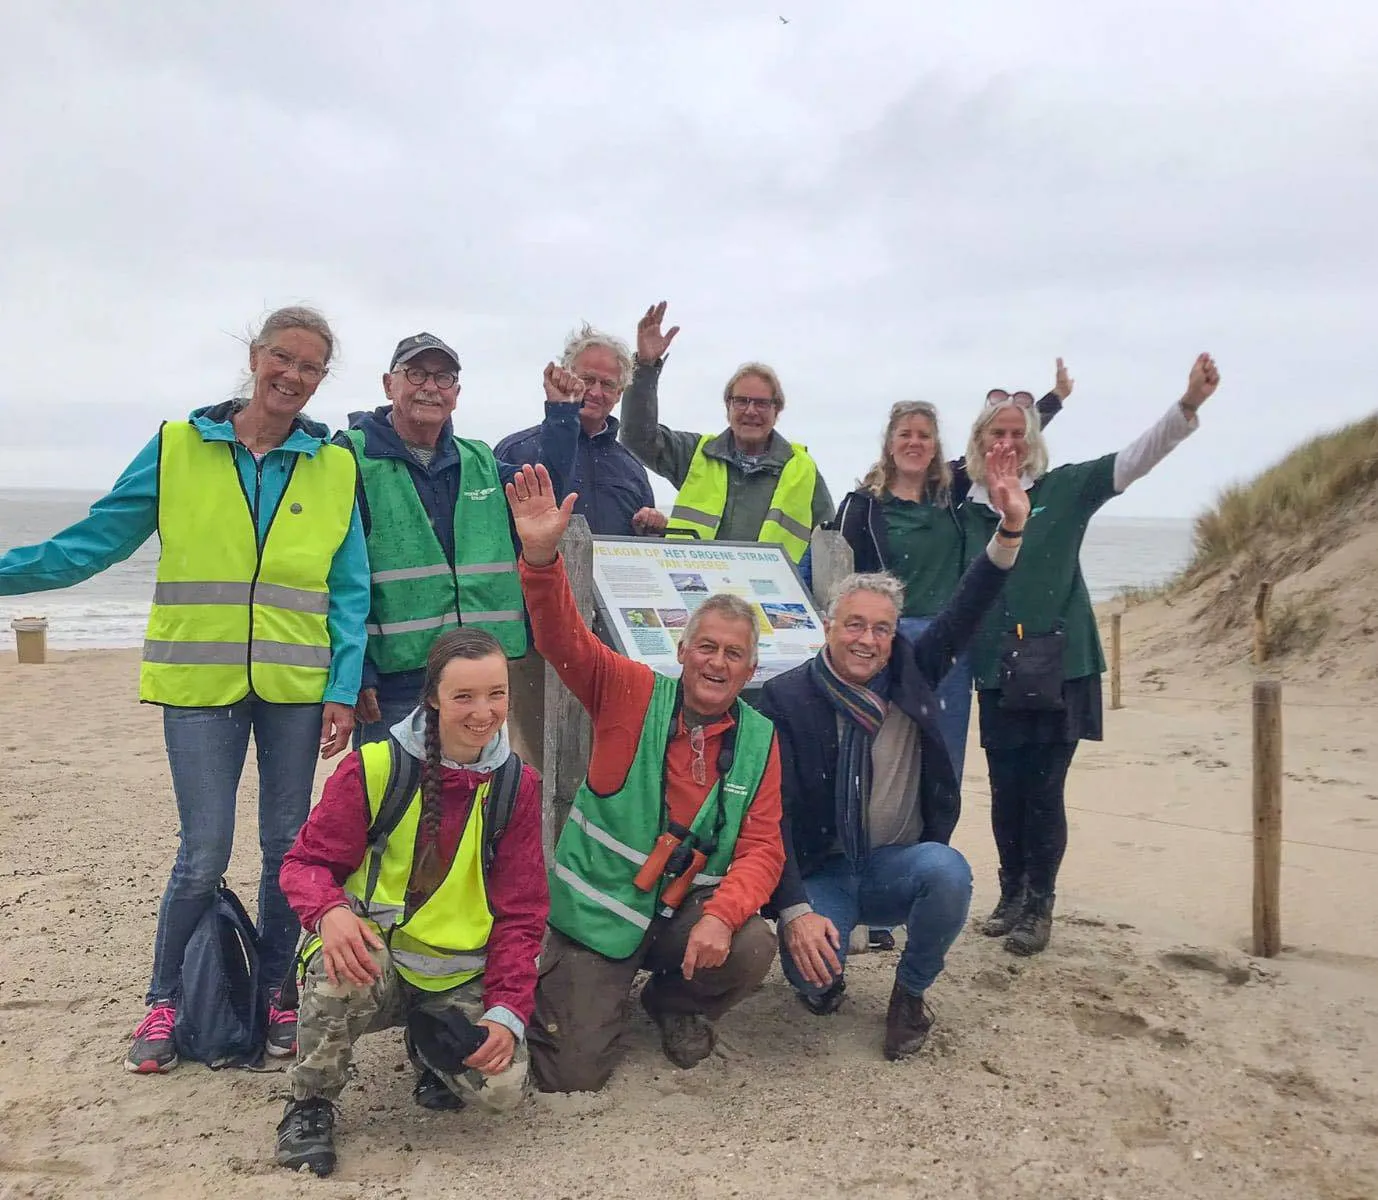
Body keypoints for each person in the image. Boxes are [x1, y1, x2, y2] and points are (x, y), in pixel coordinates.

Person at [0, 306, 370, 1074]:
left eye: (310, 367)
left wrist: (341, 685)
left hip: (295, 686)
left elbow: (350, 588)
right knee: (202, 852)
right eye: (282, 358)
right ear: (254, 355)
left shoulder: (335, 464)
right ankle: (164, 1000)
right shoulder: (177, 447)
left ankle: (276, 995)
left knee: (284, 847)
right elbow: (93, 543)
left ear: (322, 378)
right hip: (200, 685)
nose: (292, 377)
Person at [507, 461, 785, 1092]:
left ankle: (676, 1004)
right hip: (595, 921)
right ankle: (566, 995)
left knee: (750, 945)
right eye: (706, 647)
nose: (717, 662)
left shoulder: (762, 740)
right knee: (570, 1077)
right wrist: (542, 562)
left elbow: (764, 849)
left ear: (750, 668)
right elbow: (563, 640)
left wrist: (723, 915)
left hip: (680, 917)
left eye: (733, 653)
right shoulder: (629, 689)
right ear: (681, 651)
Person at [756, 444, 1029, 1059]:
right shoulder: (785, 700)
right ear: (828, 625)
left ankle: (909, 993)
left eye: (881, 628)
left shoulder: (912, 672)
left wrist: (1010, 529)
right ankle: (824, 974)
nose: (868, 639)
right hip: (823, 868)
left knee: (949, 873)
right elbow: (766, 821)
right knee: (813, 979)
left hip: (892, 865)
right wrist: (794, 907)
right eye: (855, 624)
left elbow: (967, 606)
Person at [964, 353, 1221, 956]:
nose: (1008, 442)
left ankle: (1039, 903)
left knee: (1044, 789)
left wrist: (1186, 407)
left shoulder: (1068, 488)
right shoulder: (964, 503)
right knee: (1006, 788)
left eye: (1018, 434)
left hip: (1064, 665)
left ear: (1033, 443)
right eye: (997, 433)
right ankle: (1010, 892)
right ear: (980, 442)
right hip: (997, 669)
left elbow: (1135, 458)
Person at [275, 628, 547, 1178]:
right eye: (464, 697)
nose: (483, 712)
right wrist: (329, 912)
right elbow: (302, 865)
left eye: (496, 694)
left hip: (453, 974)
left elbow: (523, 914)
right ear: (432, 698)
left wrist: (506, 1012)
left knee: (502, 1089)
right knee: (340, 971)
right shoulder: (375, 767)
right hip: (373, 959)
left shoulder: (518, 786)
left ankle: (429, 1048)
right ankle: (310, 1104)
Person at [341, 334, 582, 773]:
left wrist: (563, 415)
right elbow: (336, 576)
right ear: (388, 384)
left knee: (473, 803)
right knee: (390, 798)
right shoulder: (349, 459)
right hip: (397, 680)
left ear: (457, 393)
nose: (430, 386)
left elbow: (544, 494)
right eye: (416, 374)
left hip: (477, 676)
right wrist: (357, 674)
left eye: (444, 376)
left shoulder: (482, 461)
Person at [830, 361, 1073, 779]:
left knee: (943, 759)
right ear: (889, 443)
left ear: (935, 445)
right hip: (886, 641)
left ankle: (935, 843)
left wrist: (1052, 403)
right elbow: (836, 579)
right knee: (880, 758)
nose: (914, 442)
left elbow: (1002, 446)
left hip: (948, 646)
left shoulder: (953, 490)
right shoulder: (862, 505)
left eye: (924, 435)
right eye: (905, 434)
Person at [619, 301, 833, 562]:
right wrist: (645, 366)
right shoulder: (695, 454)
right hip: (697, 595)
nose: (751, 411)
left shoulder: (803, 471)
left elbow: (830, 547)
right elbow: (637, 438)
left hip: (774, 601)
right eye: (741, 401)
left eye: (762, 403)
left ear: (778, 410)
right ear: (728, 406)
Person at [495, 322, 666, 538]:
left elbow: (641, 550)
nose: (595, 391)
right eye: (587, 380)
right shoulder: (515, 450)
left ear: (619, 393)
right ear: (565, 377)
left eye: (607, 384)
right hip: (534, 571)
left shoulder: (632, 469)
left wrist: (651, 528)